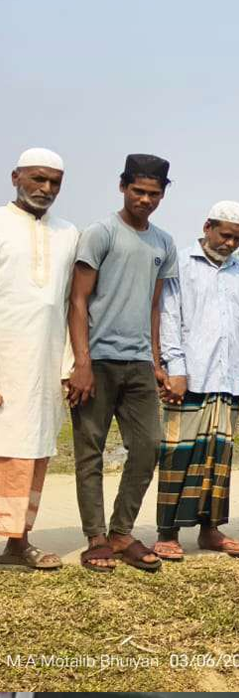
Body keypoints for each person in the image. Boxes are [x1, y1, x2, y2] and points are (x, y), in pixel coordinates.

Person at [67, 154, 177, 573]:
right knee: (89, 451)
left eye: (154, 193)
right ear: (122, 187)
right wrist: (82, 361)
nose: (145, 200)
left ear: (164, 194)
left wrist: (156, 359)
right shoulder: (101, 233)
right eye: (138, 191)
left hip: (138, 365)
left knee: (148, 446)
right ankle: (95, 536)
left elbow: (153, 306)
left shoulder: (163, 243)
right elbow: (77, 300)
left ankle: (121, 532)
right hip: (96, 361)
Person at [153, 200, 239, 560]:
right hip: (189, 377)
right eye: (225, 235)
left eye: (238, 238)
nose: (230, 244)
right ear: (207, 227)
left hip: (229, 378)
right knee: (179, 454)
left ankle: (210, 530)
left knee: (219, 458)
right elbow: (170, 317)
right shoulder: (181, 264)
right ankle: (167, 532)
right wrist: (175, 368)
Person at [0, 148, 77, 571]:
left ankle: (18, 542)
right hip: (4, 362)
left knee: (31, 453)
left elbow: (70, 304)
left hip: (44, 366)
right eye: (38, 179)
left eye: (55, 182)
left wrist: (70, 366)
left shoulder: (68, 233)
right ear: (16, 176)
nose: (46, 189)